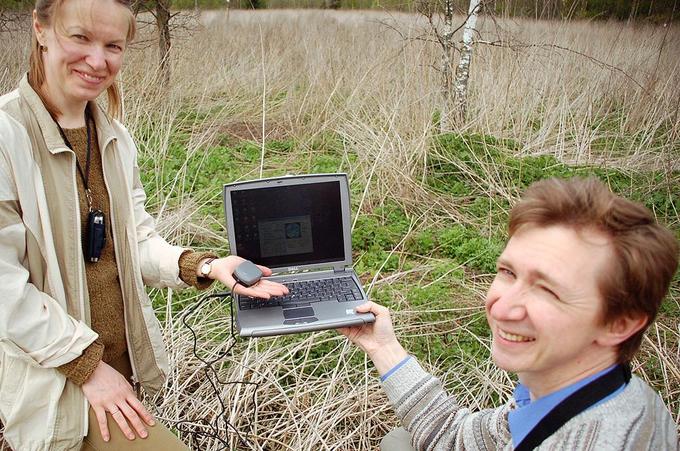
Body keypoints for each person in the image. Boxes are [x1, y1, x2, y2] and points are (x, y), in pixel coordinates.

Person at [0, 0, 288, 449]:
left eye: (113, 45)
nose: (98, 61)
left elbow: (135, 240)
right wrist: (88, 368)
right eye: (80, 37)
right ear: (41, 29)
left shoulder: (115, 137)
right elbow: (5, 289)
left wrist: (206, 266)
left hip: (119, 372)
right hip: (61, 383)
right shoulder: (6, 136)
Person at [339, 177, 679, 450]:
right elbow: (451, 436)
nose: (500, 308)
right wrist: (383, 347)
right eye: (508, 272)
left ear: (620, 323)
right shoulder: (576, 393)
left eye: (547, 289)